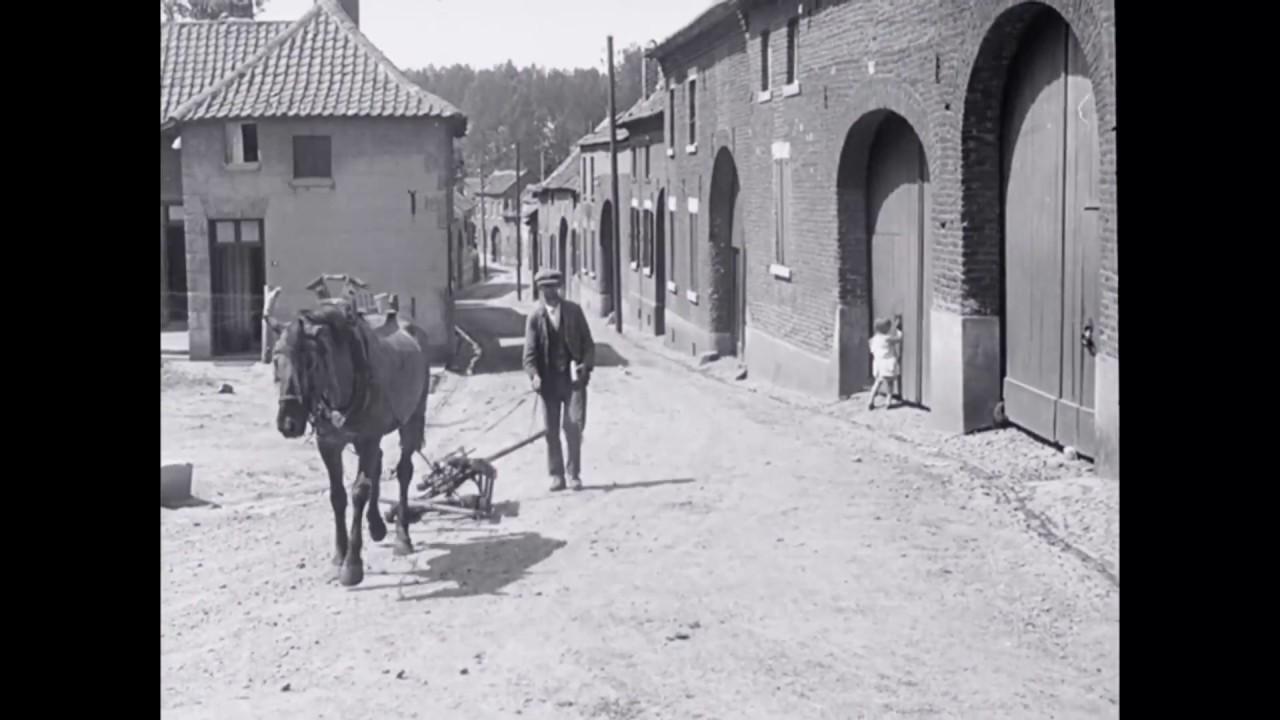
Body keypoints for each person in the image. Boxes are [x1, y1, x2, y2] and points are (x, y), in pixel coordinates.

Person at [522, 269, 596, 492]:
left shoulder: (574, 312)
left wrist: (586, 365)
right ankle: (556, 475)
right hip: (549, 384)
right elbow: (529, 357)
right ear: (540, 290)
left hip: (573, 382)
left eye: (553, 288)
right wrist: (534, 376)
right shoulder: (535, 319)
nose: (550, 293)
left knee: (573, 427)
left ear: (559, 288)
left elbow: (589, 346)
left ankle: (574, 474)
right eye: (545, 289)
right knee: (551, 430)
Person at [867, 315, 903, 410]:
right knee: (890, 384)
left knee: (877, 382)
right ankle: (888, 402)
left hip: (878, 364)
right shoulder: (888, 339)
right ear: (885, 329)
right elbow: (898, 339)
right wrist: (899, 329)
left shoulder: (873, 339)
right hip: (888, 363)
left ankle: (870, 400)